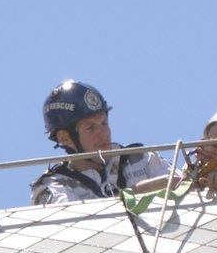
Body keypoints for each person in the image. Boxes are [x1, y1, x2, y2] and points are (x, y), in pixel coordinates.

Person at [31, 80, 178, 205]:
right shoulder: (52, 186)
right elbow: (79, 226)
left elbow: (184, 188)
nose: (104, 132)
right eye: (91, 128)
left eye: (104, 123)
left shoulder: (141, 158)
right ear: (65, 138)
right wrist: (136, 193)